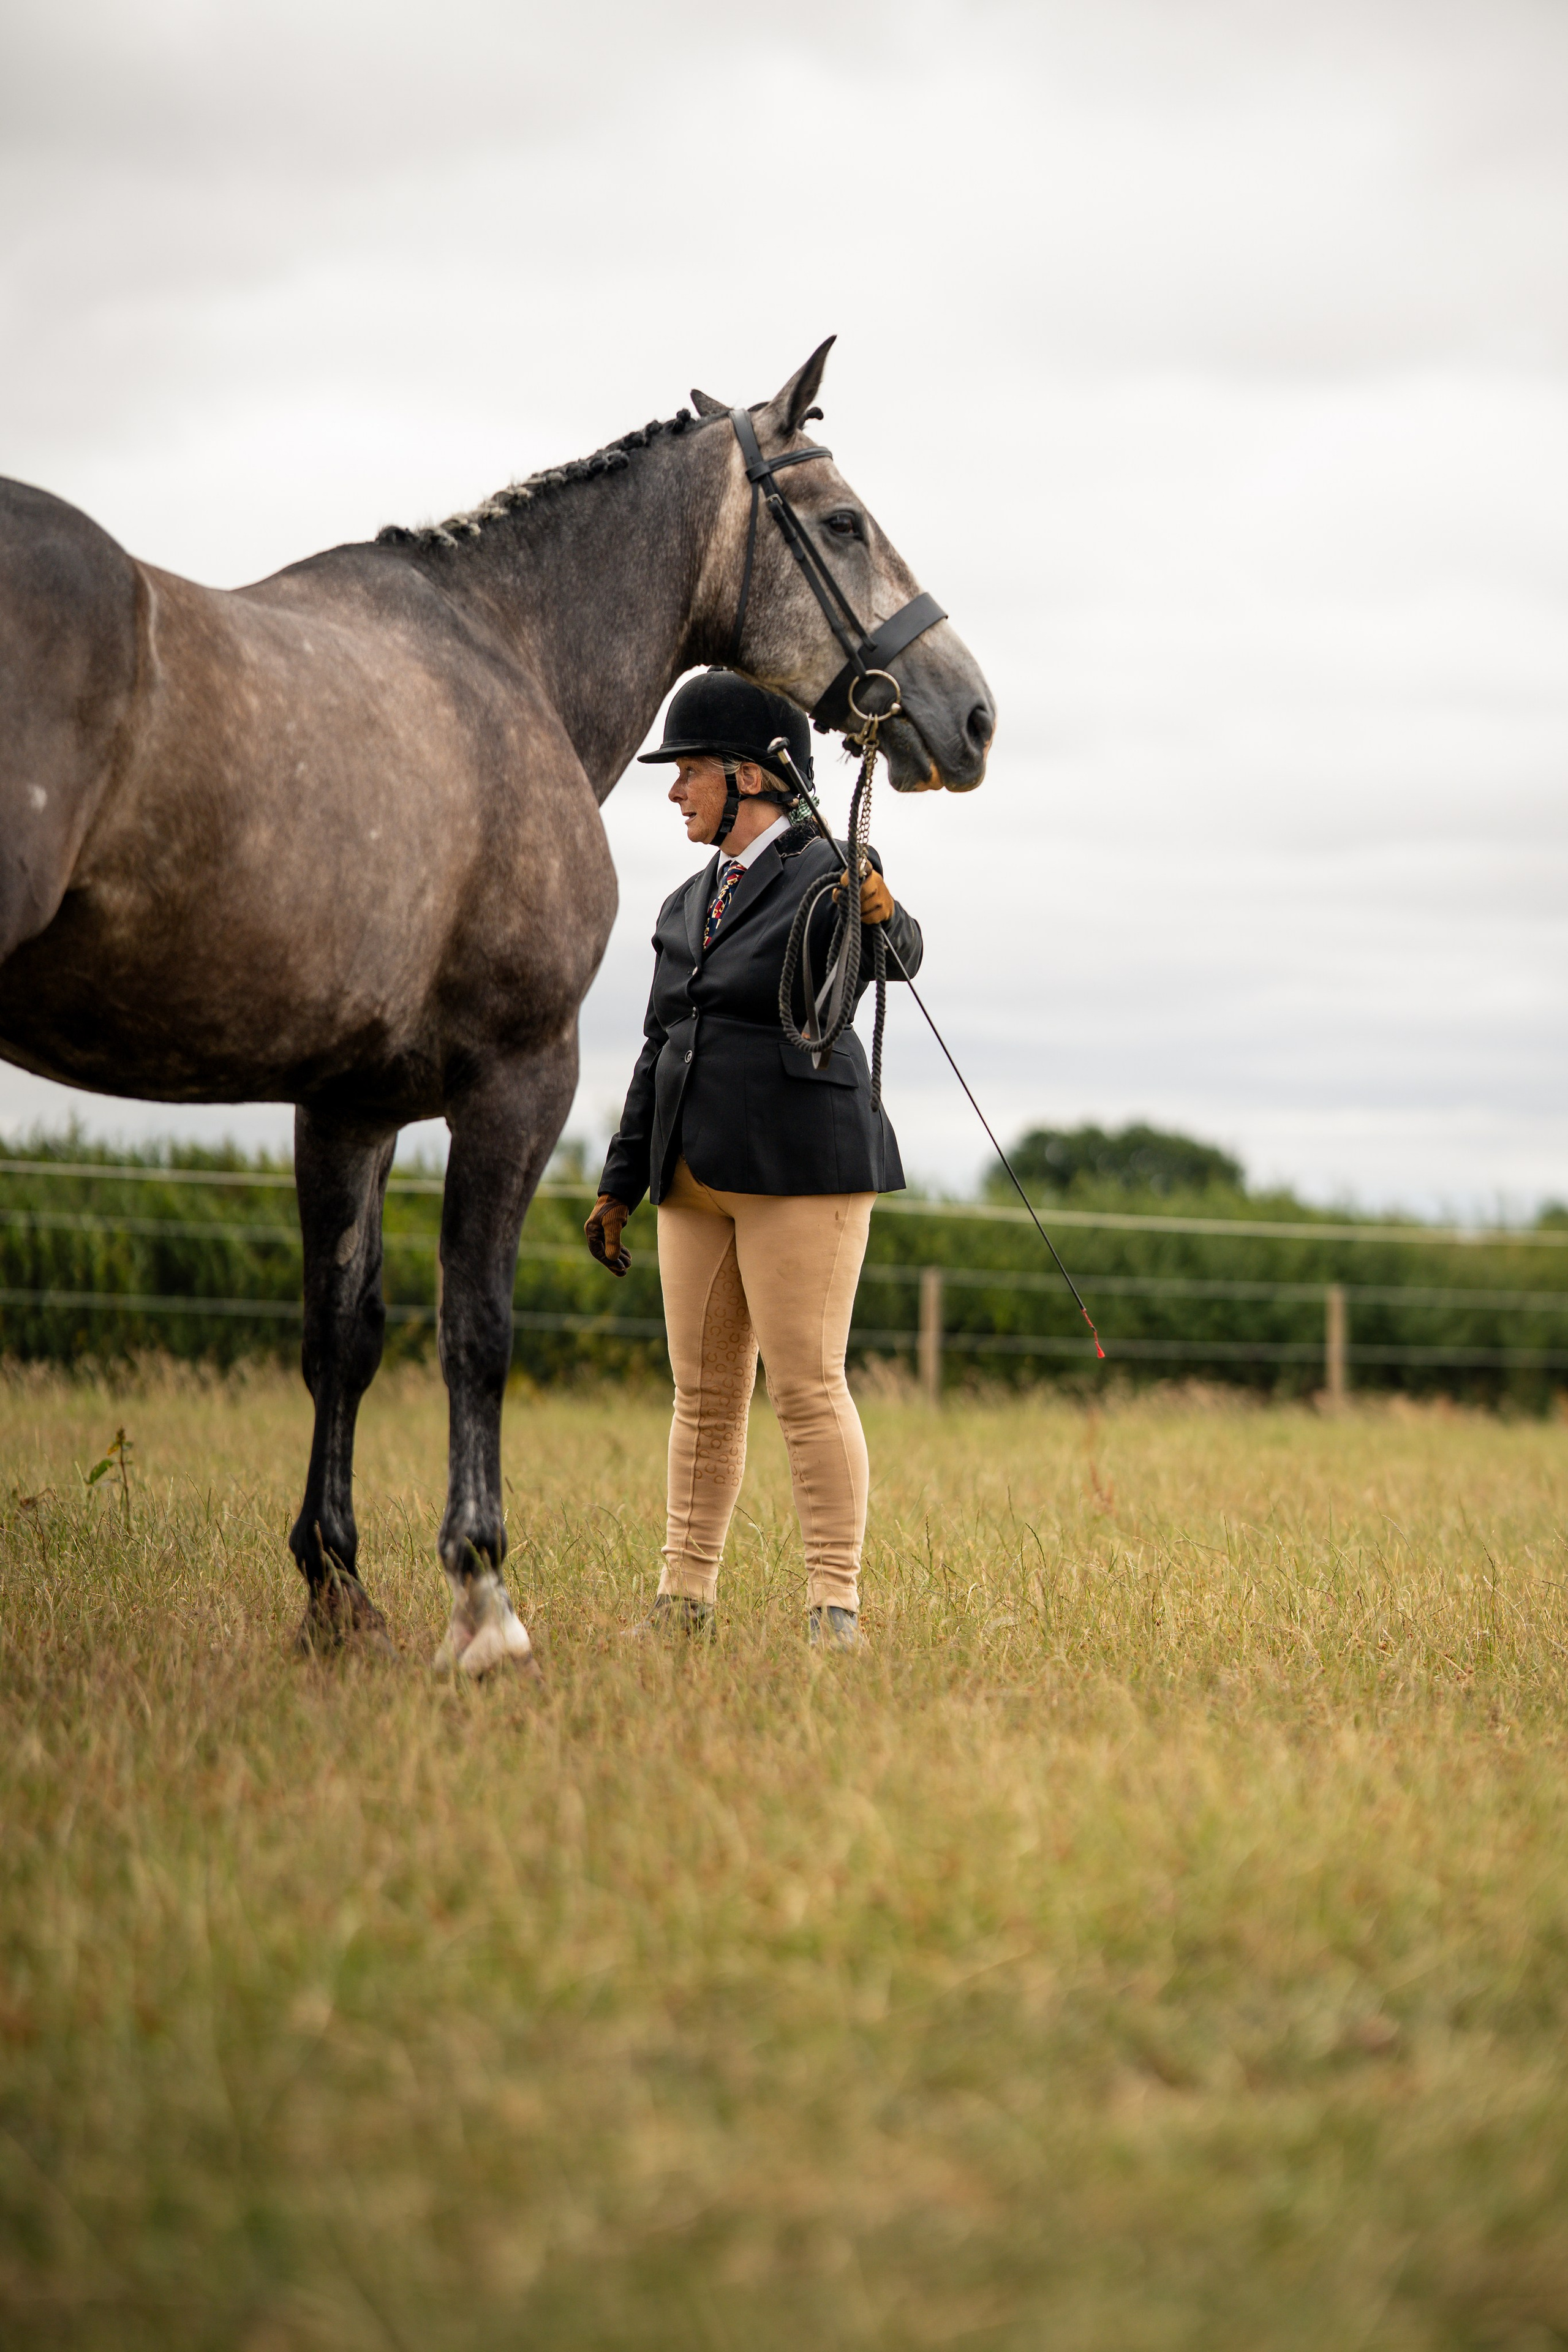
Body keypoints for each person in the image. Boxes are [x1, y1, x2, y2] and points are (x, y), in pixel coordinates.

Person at [585, 670, 924, 1650]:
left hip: (803, 1163)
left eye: (688, 772)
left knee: (808, 1387)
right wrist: (621, 1181)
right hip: (692, 1170)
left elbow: (896, 957)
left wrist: (880, 909)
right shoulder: (685, 902)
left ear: (749, 779)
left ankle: (834, 1607)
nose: (674, 792)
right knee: (705, 1396)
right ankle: (683, 1600)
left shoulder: (829, 869)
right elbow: (661, 1043)